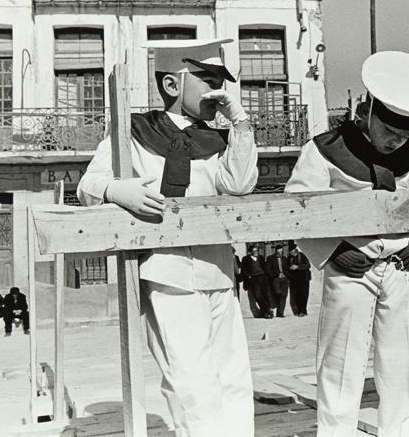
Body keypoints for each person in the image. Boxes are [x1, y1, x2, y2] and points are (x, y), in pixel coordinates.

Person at [77, 38, 257, 437]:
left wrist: (241, 124)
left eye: (220, 83)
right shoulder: (134, 133)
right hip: (167, 271)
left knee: (233, 375)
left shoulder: (218, 141)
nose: (217, 92)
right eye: (207, 80)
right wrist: (114, 190)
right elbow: (88, 185)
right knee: (190, 381)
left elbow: (240, 184)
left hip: (218, 269)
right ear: (173, 86)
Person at [285, 51, 409, 436]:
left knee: (401, 359)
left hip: (400, 268)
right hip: (349, 268)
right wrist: (334, 251)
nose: (396, 142)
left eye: (406, 135)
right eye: (390, 131)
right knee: (341, 360)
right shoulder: (322, 150)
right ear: (366, 111)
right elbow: (297, 208)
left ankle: (401, 430)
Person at [241, 245, 273, 319]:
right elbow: (243, 270)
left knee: (265, 295)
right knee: (258, 296)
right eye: (254, 251)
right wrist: (248, 277)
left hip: (263, 278)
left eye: (256, 251)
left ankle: (265, 313)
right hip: (253, 279)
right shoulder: (246, 259)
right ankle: (268, 310)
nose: (256, 252)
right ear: (250, 252)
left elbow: (265, 267)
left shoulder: (261, 257)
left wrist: (266, 276)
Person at [287, 241, 311, 317]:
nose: (291, 253)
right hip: (295, 279)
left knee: (304, 294)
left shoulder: (302, 255)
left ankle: (303, 311)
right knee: (296, 295)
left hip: (304, 278)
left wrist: (298, 267)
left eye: (292, 251)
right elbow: (287, 268)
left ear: (295, 250)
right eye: (290, 251)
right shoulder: (290, 258)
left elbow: (308, 265)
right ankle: (298, 310)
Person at [265, 244, 289, 318]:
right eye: (278, 252)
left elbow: (287, 269)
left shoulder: (285, 259)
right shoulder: (270, 258)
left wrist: (287, 276)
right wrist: (276, 275)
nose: (280, 254)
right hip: (276, 279)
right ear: (275, 251)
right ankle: (273, 307)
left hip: (284, 279)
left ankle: (280, 313)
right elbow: (268, 269)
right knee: (277, 293)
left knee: (284, 295)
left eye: (281, 252)